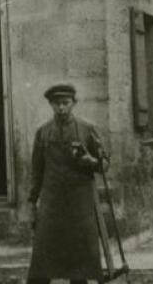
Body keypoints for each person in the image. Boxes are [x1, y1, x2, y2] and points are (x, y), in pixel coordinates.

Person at [27, 83, 106, 284]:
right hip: (51, 202)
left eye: (65, 103)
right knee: (43, 259)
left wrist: (92, 162)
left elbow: (105, 164)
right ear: (50, 105)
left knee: (79, 263)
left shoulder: (88, 129)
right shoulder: (43, 132)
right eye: (56, 104)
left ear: (74, 103)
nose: (61, 108)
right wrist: (32, 203)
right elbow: (37, 171)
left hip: (80, 203)